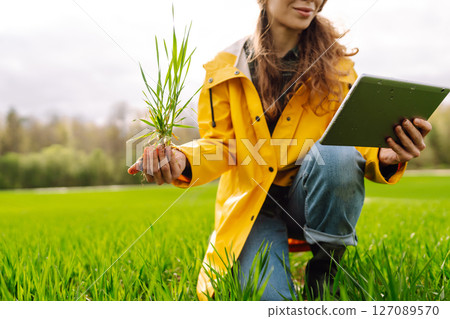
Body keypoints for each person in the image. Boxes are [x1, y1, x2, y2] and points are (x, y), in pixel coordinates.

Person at [128, 0, 432, 301]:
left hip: (309, 197)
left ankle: (326, 270)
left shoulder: (339, 68)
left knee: (338, 155)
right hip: (253, 204)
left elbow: (353, 139)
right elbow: (221, 146)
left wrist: (383, 155)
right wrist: (183, 158)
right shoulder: (224, 69)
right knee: (271, 301)